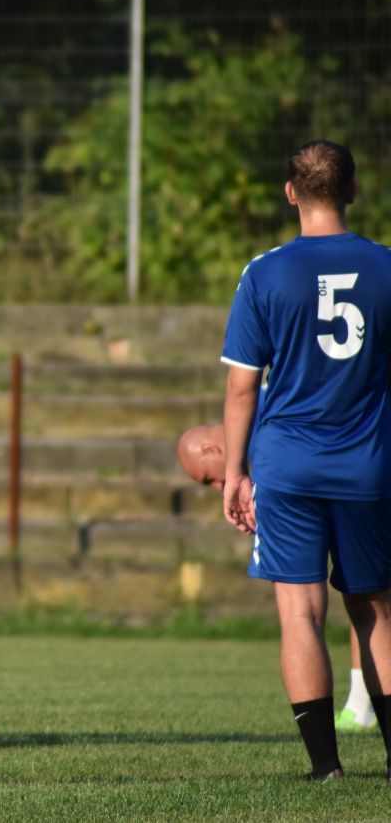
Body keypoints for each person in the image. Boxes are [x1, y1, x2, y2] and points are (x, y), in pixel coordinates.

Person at [220, 140, 391, 781]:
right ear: (352, 191)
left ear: (290, 193)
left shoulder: (264, 273)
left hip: (288, 465)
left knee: (300, 612)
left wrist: (235, 472)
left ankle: (326, 767)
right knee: (374, 611)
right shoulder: (386, 267)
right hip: (369, 465)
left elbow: (242, 387)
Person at [177, 424, 377, 731]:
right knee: (368, 595)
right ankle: (361, 705)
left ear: (209, 449)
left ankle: (343, 733)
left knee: (304, 611)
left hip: (309, 481)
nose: (218, 486)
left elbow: (241, 393)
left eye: (209, 479)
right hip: (362, 466)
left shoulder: (271, 434)